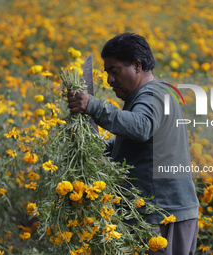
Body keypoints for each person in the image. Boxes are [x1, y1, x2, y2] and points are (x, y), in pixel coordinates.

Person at [68, 32, 199, 255]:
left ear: (137, 66)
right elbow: (140, 147)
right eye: (107, 72)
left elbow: (141, 127)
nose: (109, 80)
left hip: (163, 216)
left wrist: (95, 107)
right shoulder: (151, 95)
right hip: (165, 212)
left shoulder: (152, 95)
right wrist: (92, 147)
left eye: (114, 71)